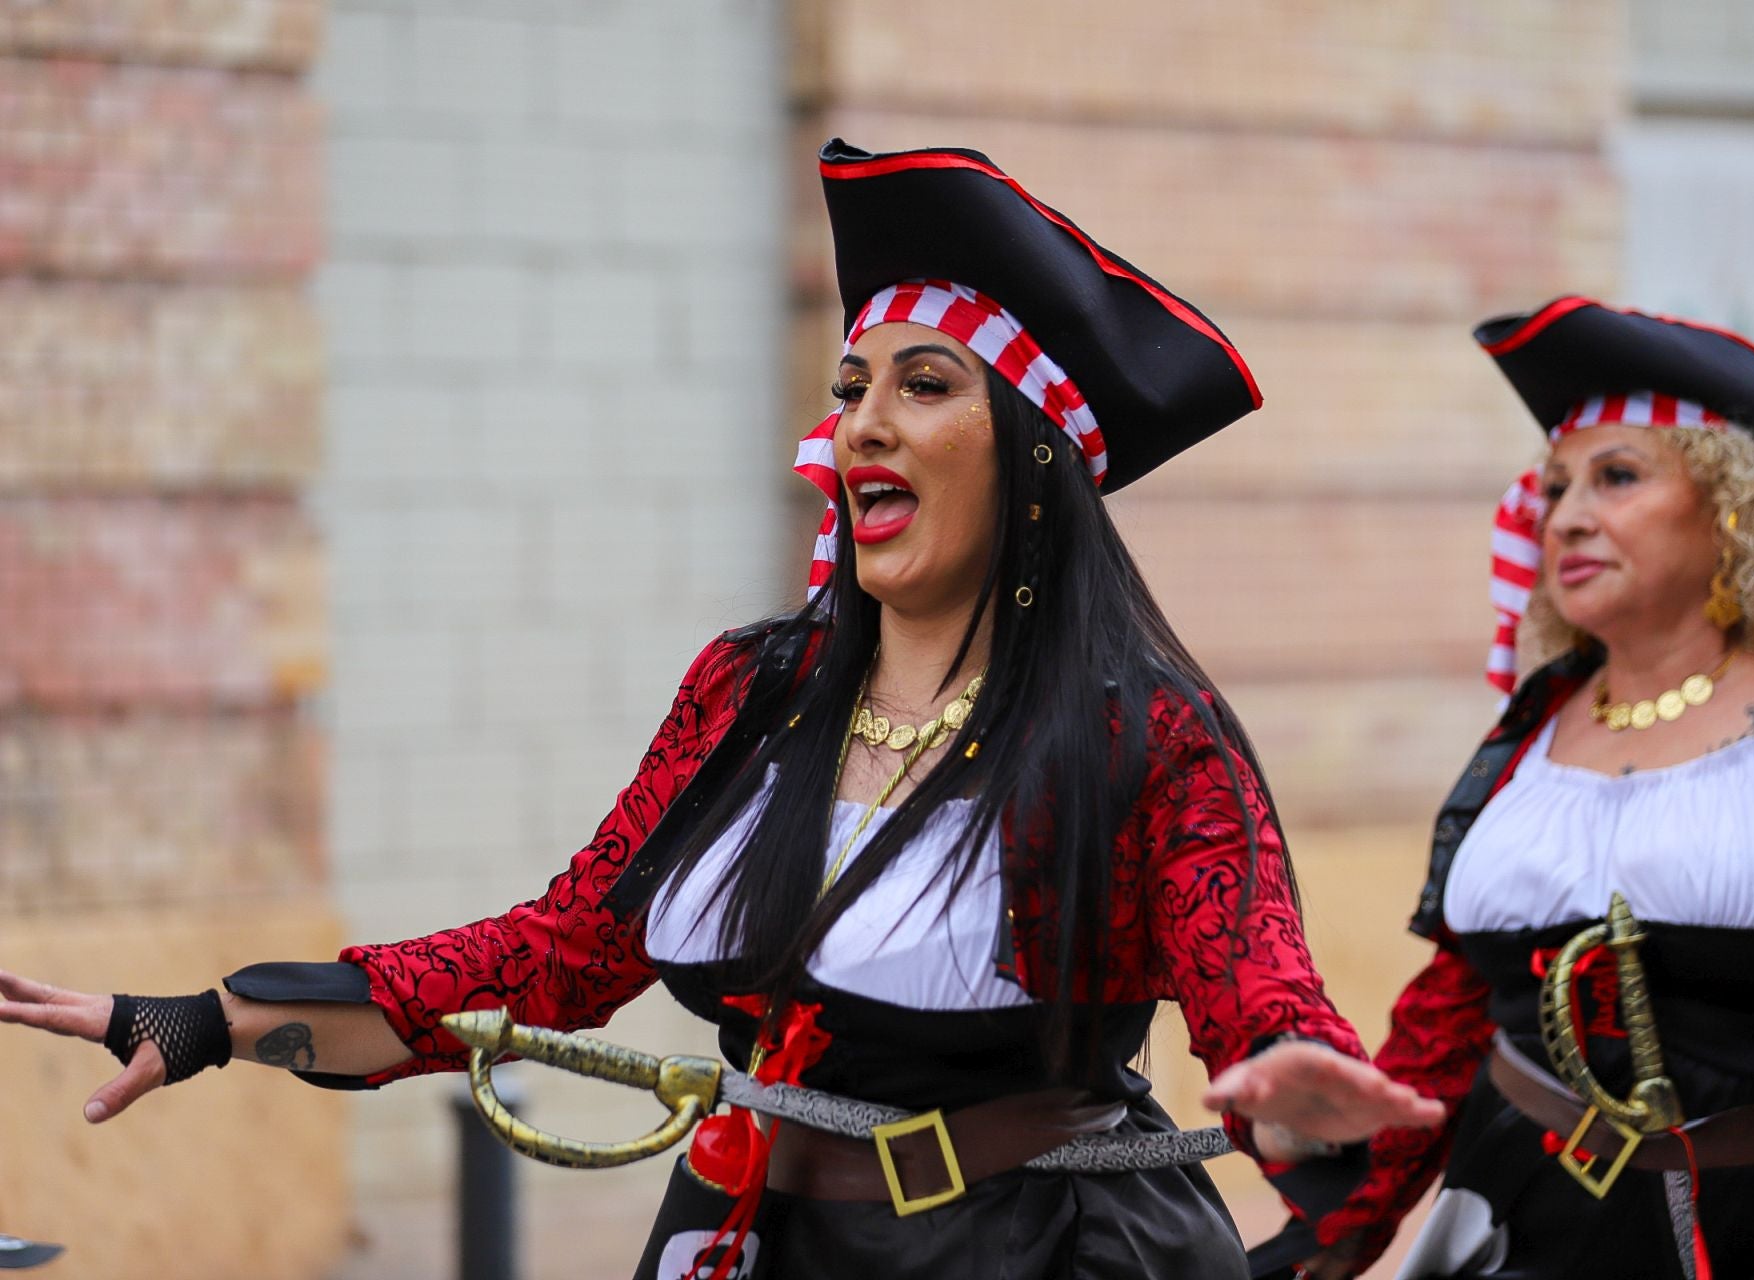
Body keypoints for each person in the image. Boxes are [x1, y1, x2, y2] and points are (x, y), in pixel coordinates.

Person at [0, 140, 1440, 1279]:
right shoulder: (754, 691)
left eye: (923, 386)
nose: (862, 422)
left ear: (1031, 457)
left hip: (1041, 1249)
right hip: (752, 1235)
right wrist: (214, 1018)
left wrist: (1288, 1077)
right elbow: (557, 958)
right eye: (849, 385)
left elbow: (1255, 984)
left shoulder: (1147, 735)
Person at [1271, 297, 1754, 1280]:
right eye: (1556, 486)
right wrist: (1338, 1225)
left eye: (1617, 477)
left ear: (1736, 507)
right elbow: (1458, 1010)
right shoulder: (1533, 725)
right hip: (1510, 1216)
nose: (1566, 515)